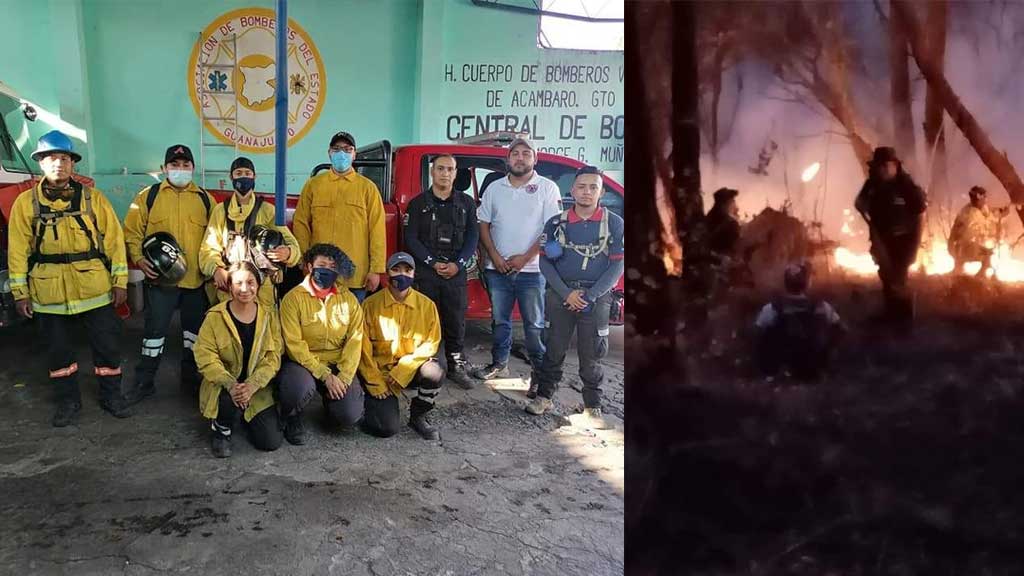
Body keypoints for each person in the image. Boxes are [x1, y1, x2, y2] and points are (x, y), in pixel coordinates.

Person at [7, 130, 132, 426]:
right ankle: (68, 402)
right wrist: (19, 293)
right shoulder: (26, 204)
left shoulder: (93, 199)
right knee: (58, 353)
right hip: (48, 293)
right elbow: (17, 251)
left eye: (64, 158)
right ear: (41, 163)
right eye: (51, 158)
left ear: (73, 164)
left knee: (107, 347)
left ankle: (111, 396)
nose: (58, 164)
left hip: (95, 289)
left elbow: (114, 241)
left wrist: (120, 282)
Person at [525, 166, 624, 429]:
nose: (587, 192)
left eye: (593, 187)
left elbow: (616, 266)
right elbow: (545, 263)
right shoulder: (556, 224)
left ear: (601, 191)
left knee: (591, 354)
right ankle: (545, 397)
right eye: (582, 186)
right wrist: (566, 292)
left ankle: (593, 406)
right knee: (553, 348)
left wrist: (590, 296)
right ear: (573, 189)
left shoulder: (613, 223)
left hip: (596, 297)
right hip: (561, 295)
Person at [124, 144, 216, 402]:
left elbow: (216, 238)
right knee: (153, 334)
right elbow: (132, 231)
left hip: (195, 283)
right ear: (165, 168)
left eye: (185, 165)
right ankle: (145, 381)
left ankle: (190, 382)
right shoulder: (148, 197)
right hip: (160, 284)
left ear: (193, 169)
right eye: (174, 165)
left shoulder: (205, 199)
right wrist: (140, 260)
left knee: (194, 337)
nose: (180, 170)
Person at [472, 138, 562, 384]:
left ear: (535, 159)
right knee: (500, 321)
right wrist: (494, 256)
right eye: (515, 153)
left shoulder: (547, 188)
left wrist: (525, 258)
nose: (520, 158)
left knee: (533, 326)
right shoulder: (495, 188)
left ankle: (539, 375)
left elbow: (551, 229)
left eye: (526, 153)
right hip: (497, 269)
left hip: (532, 271)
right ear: (508, 159)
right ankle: (500, 364)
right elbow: (483, 224)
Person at [403, 154, 479, 388]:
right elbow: (411, 238)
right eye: (440, 168)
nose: (445, 173)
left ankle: (456, 365)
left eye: (450, 169)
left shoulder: (466, 204)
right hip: (427, 272)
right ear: (432, 172)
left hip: (455, 272)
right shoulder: (417, 204)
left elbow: (473, 237)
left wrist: (459, 264)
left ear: (456, 174)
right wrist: (432, 262)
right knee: (424, 320)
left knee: (455, 319)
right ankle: (426, 364)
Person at [194, 262, 283, 457]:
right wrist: (231, 384)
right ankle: (221, 429)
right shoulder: (215, 317)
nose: (245, 289)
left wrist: (252, 385)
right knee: (227, 400)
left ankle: (245, 415)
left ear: (258, 285)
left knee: (270, 442)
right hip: (224, 386)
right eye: (238, 283)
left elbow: (273, 357)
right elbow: (205, 355)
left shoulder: (268, 316)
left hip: (256, 388)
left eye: (250, 282)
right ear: (230, 287)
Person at [277, 244, 364, 445]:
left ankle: (332, 407)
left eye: (332, 267)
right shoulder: (293, 299)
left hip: (336, 362)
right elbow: (294, 345)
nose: (327, 270)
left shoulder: (349, 300)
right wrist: (324, 375)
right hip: (304, 363)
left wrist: (343, 377)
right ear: (309, 266)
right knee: (296, 389)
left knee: (349, 415)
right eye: (322, 265)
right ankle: (292, 416)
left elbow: (355, 341)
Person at [292, 131, 385, 302]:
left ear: (354, 154)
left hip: (356, 277)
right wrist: (304, 260)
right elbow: (301, 224)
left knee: (352, 326)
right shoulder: (314, 186)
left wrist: (376, 269)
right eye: (337, 149)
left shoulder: (368, 189)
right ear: (329, 153)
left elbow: (377, 231)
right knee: (319, 324)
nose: (342, 153)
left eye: (347, 149)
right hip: (320, 272)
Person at [358, 252, 444, 440]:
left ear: (414, 274)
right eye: (395, 269)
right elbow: (362, 350)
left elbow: (431, 343)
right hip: (380, 375)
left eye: (407, 270)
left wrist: (402, 371)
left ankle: (418, 416)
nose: (401, 275)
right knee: (386, 429)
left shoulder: (427, 306)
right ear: (387, 273)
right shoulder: (370, 305)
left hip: (408, 371)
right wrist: (375, 382)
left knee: (435, 371)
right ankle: (368, 408)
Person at [199, 156, 301, 308]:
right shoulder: (220, 211)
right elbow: (208, 250)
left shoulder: (268, 211)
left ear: (254, 177)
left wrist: (287, 253)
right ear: (231, 177)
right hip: (229, 288)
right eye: (238, 173)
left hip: (263, 292)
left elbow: (294, 247)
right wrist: (216, 269)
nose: (243, 177)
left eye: (247, 173)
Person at [853, 146, 927, 332]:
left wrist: (915, 244)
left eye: (889, 165)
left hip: (904, 241)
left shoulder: (907, 187)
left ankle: (905, 320)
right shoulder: (872, 185)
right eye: (881, 166)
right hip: (880, 240)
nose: (885, 169)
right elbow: (860, 203)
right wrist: (865, 214)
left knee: (898, 279)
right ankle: (891, 314)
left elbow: (920, 213)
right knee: (886, 276)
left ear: (896, 166)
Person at [753, 262, 844, 380]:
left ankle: (771, 372)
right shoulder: (821, 306)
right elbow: (841, 329)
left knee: (764, 333)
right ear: (806, 284)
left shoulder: (773, 308)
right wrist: (828, 349)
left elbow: (757, 333)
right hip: (813, 366)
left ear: (785, 283)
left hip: (782, 365)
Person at [948, 186, 1010, 279]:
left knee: (984, 250)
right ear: (979, 198)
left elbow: (989, 213)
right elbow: (984, 223)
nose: (986, 200)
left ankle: (960, 268)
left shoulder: (975, 208)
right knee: (987, 253)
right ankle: (977, 272)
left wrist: (1000, 212)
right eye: (984, 197)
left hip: (963, 245)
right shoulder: (969, 214)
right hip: (961, 247)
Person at [705, 187, 741, 259]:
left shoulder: (709, 216)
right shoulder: (731, 224)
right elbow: (738, 247)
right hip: (724, 261)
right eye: (732, 201)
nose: (735, 205)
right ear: (724, 204)